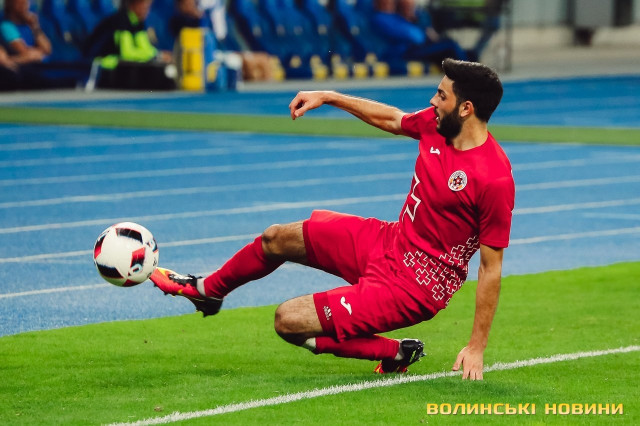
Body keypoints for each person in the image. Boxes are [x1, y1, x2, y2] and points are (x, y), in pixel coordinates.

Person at [151, 58, 514, 379]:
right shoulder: (437, 125)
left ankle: (394, 352)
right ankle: (208, 292)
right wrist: (329, 96)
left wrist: (476, 346)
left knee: (289, 321)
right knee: (276, 238)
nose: (432, 101)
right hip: (390, 242)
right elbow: (392, 118)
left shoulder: (493, 178)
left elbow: (490, 268)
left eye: (441, 96)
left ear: (466, 108)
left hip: (416, 285)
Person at [84, 0, 176, 90]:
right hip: (101, 66)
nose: (147, 11)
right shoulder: (121, 20)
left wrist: (159, 55)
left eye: (148, 7)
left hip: (118, 65)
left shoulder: (138, 22)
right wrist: (156, 56)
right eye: (144, 7)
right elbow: (127, 53)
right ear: (134, 5)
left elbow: (145, 48)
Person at [371, 0, 467, 66]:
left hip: (417, 47)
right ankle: (468, 79)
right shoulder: (379, 18)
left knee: (458, 48)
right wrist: (423, 34)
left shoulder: (397, 17)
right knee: (450, 47)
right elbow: (412, 36)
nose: (391, 2)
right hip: (405, 52)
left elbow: (417, 32)